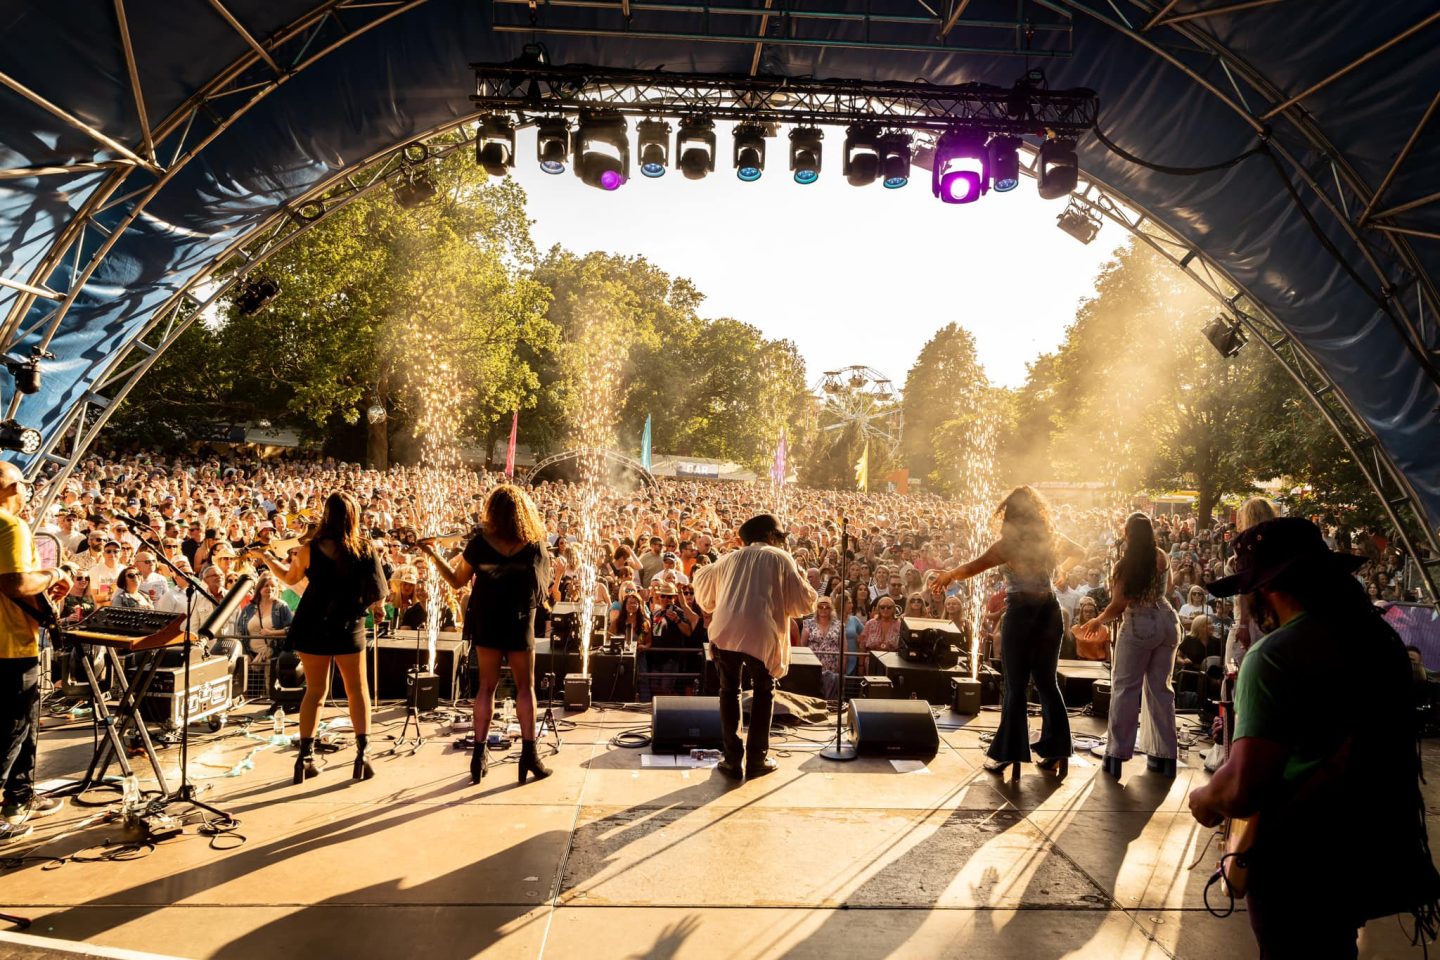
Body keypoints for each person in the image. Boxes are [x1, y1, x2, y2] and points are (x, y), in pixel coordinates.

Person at [1188, 517, 1439, 957]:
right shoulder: (1378, 641)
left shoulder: (1273, 657)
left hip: (1298, 859)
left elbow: (1246, 785)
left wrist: (1207, 797)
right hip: (1364, 852)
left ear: (1265, 588)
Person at [936, 486, 1084, 778]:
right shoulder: (1051, 538)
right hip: (1050, 611)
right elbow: (1080, 552)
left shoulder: (1008, 544)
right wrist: (1062, 571)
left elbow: (974, 566)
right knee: (1047, 682)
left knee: (1015, 685)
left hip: (1022, 611)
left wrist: (948, 575)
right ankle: (1057, 751)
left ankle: (1011, 754)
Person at [421, 484, 553, 786]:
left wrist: (432, 553)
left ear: (492, 512)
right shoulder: (533, 545)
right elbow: (543, 592)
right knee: (524, 687)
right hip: (519, 621)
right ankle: (529, 756)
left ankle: (478, 756)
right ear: (523, 513)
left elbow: (456, 580)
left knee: (486, 687)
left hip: (487, 620)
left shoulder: (480, 544)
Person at [252, 492, 386, 784]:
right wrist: (377, 610)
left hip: (312, 621)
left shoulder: (310, 549)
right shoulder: (364, 548)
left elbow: (289, 578)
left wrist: (267, 559)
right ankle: (363, 756)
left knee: (314, 691)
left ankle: (305, 759)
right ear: (353, 517)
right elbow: (377, 591)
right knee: (357, 690)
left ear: (327, 515)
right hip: (348, 623)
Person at [691, 513, 816, 781]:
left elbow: (703, 588)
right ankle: (757, 759)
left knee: (729, 691)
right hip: (762, 633)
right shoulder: (780, 557)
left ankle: (732, 760)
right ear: (771, 536)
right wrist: (804, 580)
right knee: (763, 693)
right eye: (779, 537)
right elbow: (802, 605)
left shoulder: (729, 558)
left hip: (726, 632)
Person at [1077, 513, 1181, 778]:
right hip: (1168, 621)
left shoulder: (1125, 564)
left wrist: (1098, 620)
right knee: (1161, 689)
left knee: (1125, 688)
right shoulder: (1162, 556)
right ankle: (1164, 756)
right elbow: (1168, 587)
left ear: (1127, 534)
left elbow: (1118, 604)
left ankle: (1116, 756)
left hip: (1139, 624)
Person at [0, 462, 72, 841]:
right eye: (25, 484)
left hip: (14, 641)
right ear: (12, 488)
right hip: (9, 645)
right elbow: (15, 582)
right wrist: (56, 575)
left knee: (25, 728)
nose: (28, 490)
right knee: (10, 733)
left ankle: (21, 795)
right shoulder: (10, 525)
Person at [799, 594, 843, 698]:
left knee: (831, 696)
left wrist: (841, 667)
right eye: (820, 606)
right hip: (813, 665)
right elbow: (803, 645)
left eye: (827, 607)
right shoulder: (808, 623)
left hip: (833, 667)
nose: (824, 609)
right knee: (813, 694)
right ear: (816, 608)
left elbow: (843, 647)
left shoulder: (838, 624)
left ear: (831, 609)